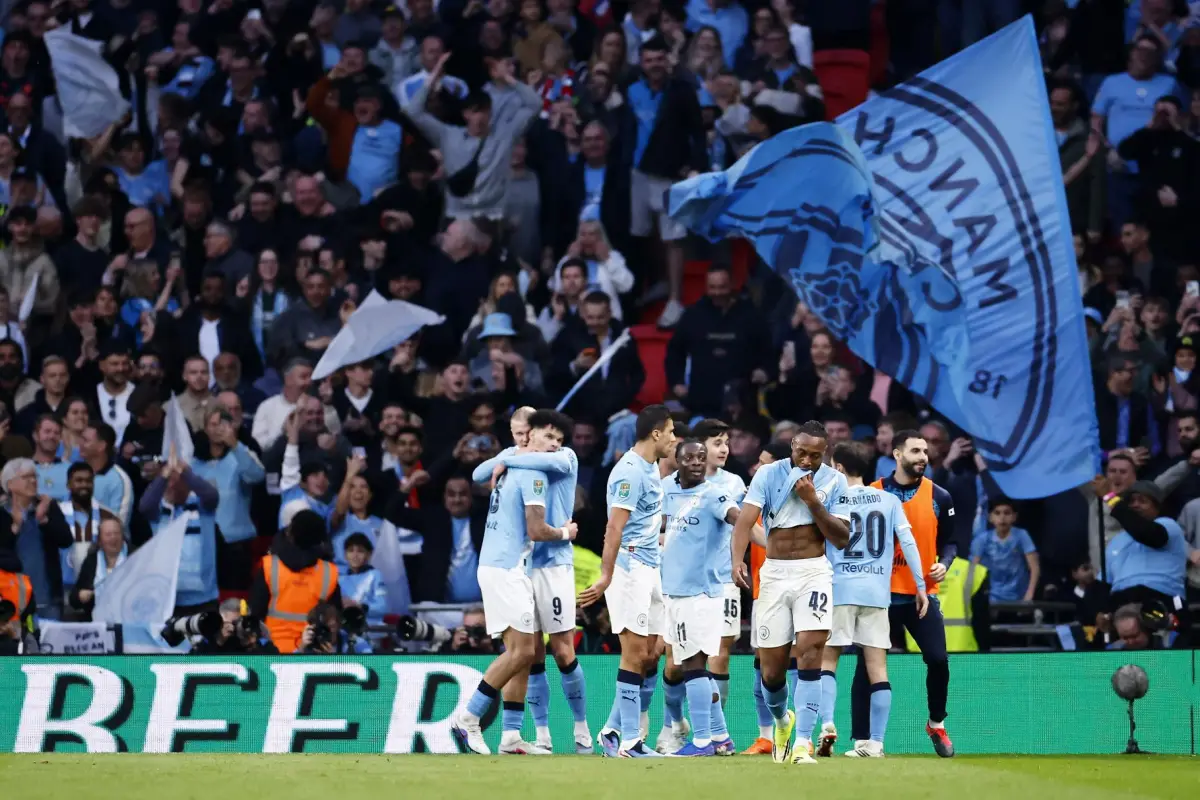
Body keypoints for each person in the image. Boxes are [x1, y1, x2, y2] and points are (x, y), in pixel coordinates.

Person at [449, 415, 579, 756]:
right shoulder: (532, 473)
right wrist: (567, 532)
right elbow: (537, 530)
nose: (553, 443)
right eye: (546, 436)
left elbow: (479, 474)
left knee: (521, 654)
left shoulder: (510, 467)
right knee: (523, 651)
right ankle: (469, 717)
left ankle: (509, 737)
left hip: (496, 566)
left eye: (557, 438)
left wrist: (508, 456)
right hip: (507, 570)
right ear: (529, 435)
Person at [730, 420, 850, 764]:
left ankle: (802, 743)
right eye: (802, 452)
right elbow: (745, 520)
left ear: (824, 452)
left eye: (815, 455)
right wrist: (736, 559)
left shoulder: (834, 481)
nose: (807, 460)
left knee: (811, 651)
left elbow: (842, 537)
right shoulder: (769, 474)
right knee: (771, 670)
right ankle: (783, 721)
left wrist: (813, 502)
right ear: (792, 445)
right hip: (776, 573)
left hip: (814, 571)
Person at [847, 429, 958, 757]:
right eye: (915, 451)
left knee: (938, 659)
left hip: (920, 595)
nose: (923, 456)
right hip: (878, 595)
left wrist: (945, 564)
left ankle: (936, 723)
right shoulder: (872, 493)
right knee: (864, 668)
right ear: (897, 454)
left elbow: (950, 542)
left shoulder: (940, 496)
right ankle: (861, 740)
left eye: (925, 451)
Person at [817, 441, 927, 758]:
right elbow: (908, 541)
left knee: (828, 662)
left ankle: (827, 724)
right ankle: (875, 743)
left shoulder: (830, 499)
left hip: (838, 589)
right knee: (878, 668)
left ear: (838, 467)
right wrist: (921, 587)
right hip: (877, 594)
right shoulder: (889, 500)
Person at [579, 403, 676, 758]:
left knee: (652, 654)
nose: (674, 438)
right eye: (671, 431)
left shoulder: (650, 469)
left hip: (650, 568)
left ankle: (611, 729)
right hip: (629, 569)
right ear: (656, 433)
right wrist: (606, 575)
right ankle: (631, 741)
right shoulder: (629, 472)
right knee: (634, 653)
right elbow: (614, 527)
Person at [660, 438, 742, 756]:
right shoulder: (668, 491)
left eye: (701, 457)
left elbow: (738, 518)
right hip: (676, 591)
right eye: (690, 457)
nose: (697, 461)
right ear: (677, 460)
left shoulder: (714, 495)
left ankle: (702, 741)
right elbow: (662, 527)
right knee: (698, 668)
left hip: (701, 593)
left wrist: (769, 543)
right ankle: (721, 737)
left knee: (694, 665)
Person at [251, 507, 342, 655]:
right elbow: (334, 617)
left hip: (272, 650)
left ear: (291, 533)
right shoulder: (329, 572)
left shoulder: (270, 566)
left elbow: (255, 611)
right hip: (313, 650)